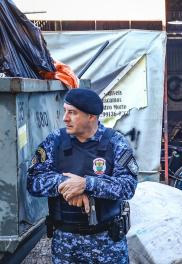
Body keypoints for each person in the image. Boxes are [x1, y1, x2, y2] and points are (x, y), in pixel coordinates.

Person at [27, 88, 138, 263]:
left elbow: (128, 186)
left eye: (72, 113)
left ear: (91, 117)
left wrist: (88, 184)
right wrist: (66, 184)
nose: (65, 118)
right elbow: (33, 181)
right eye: (65, 111)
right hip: (66, 244)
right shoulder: (54, 141)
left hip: (107, 243)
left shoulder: (115, 142)